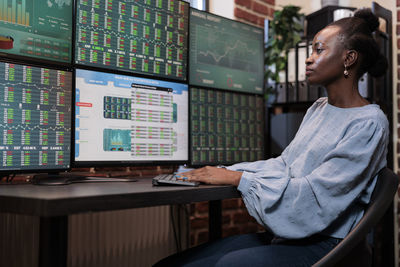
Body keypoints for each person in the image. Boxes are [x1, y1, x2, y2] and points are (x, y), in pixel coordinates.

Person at [154, 8, 389, 267]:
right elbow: (285, 165)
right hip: (288, 238)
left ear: (349, 58)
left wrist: (238, 178)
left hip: (325, 244)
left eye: (319, 50)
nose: (308, 60)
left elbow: (314, 196)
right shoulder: (319, 108)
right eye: (311, 50)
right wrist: (223, 170)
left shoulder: (369, 123)